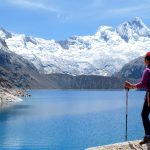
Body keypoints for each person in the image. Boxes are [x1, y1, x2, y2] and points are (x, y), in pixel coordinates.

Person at [124, 52, 150, 145]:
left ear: (147, 60)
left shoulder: (147, 70)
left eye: (145, 59)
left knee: (144, 115)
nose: (144, 61)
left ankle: (148, 136)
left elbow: (142, 84)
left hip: (149, 96)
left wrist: (131, 86)